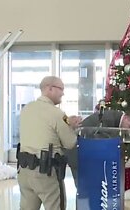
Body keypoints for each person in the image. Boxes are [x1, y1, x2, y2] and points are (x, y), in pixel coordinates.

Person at [17, 76, 82, 210]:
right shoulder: (57, 113)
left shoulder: (27, 109)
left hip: (24, 170)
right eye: (61, 89)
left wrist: (66, 123)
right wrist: (72, 127)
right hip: (46, 173)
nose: (63, 93)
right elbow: (70, 143)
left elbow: (42, 129)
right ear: (50, 88)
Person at [64, 107, 130, 187]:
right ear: (126, 118)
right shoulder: (108, 118)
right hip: (78, 154)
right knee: (84, 190)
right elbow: (101, 140)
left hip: (88, 155)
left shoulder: (117, 120)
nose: (129, 131)